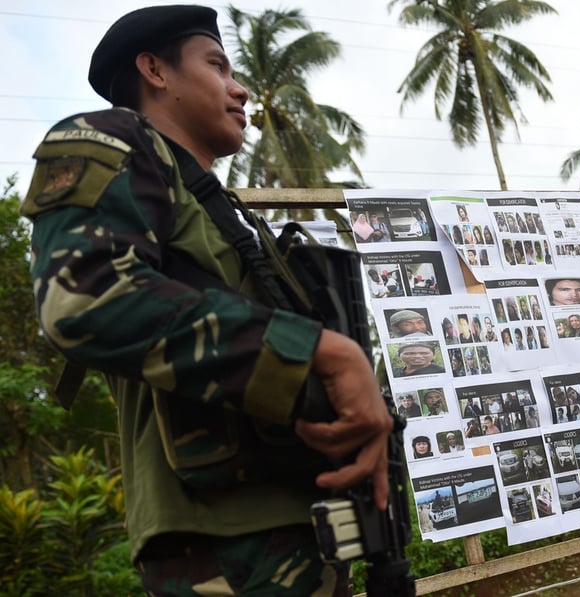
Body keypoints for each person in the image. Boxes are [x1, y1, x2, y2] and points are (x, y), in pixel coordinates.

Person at [19, 6, 393, 595]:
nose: (239, 87)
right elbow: (85, 296)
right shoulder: (108, 140)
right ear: (154, 71)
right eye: (217, 65)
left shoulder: (231, 220)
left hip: (308, 534)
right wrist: (321, 353)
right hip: (220, 550)